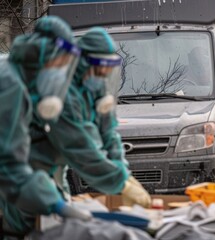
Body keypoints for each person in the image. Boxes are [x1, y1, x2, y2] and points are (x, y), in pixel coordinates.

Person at [29, 27, 151, 208]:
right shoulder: (63, 94)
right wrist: (122, 185)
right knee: (29, 225)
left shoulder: (95, 87)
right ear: (82, 62)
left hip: (56, 168)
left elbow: (108, 134)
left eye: (107, 67)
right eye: (99, 65)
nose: (103, 73)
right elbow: (81, 148)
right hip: (30, 169)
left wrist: (125, 174)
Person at [0, 16, 85, 234]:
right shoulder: (11, 85)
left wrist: (60, 195)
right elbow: (9, 165)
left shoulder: (30, 82)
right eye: (59, 63)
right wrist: (55, 204)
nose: (60, 71)